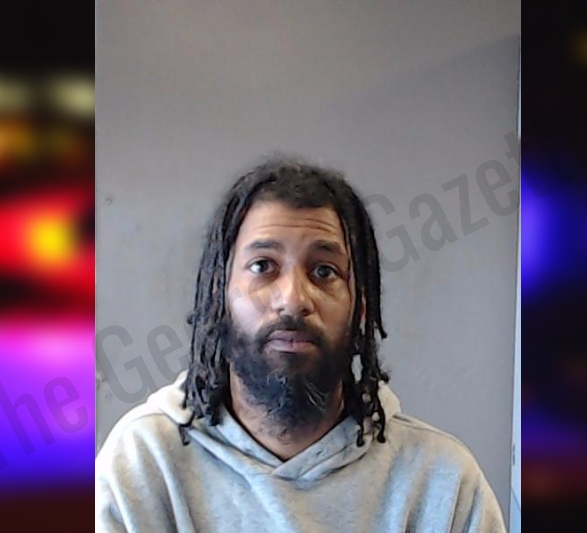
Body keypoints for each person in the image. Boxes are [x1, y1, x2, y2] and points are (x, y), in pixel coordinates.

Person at [95, 154, 507, 532]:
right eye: (263, 266)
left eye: (324, 271)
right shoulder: (142, 464)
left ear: (361, 306)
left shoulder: (442, 484)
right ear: (219, 295)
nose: (293, 299)